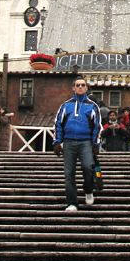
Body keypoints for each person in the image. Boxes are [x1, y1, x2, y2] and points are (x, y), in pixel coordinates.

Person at [53, 76, 101, 212]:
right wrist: (57, 142)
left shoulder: (92, 106)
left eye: (83, 85)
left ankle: (88, 189)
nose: (80, 87)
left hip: (85, 142)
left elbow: (97, 126)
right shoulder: (65, 105)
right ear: (73, 88)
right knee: (69, 174)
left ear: (86, 88)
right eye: (77, 85)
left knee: (88, 167)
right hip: (68, 142)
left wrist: (95, 144)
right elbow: (58, 124)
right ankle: (72, 203)